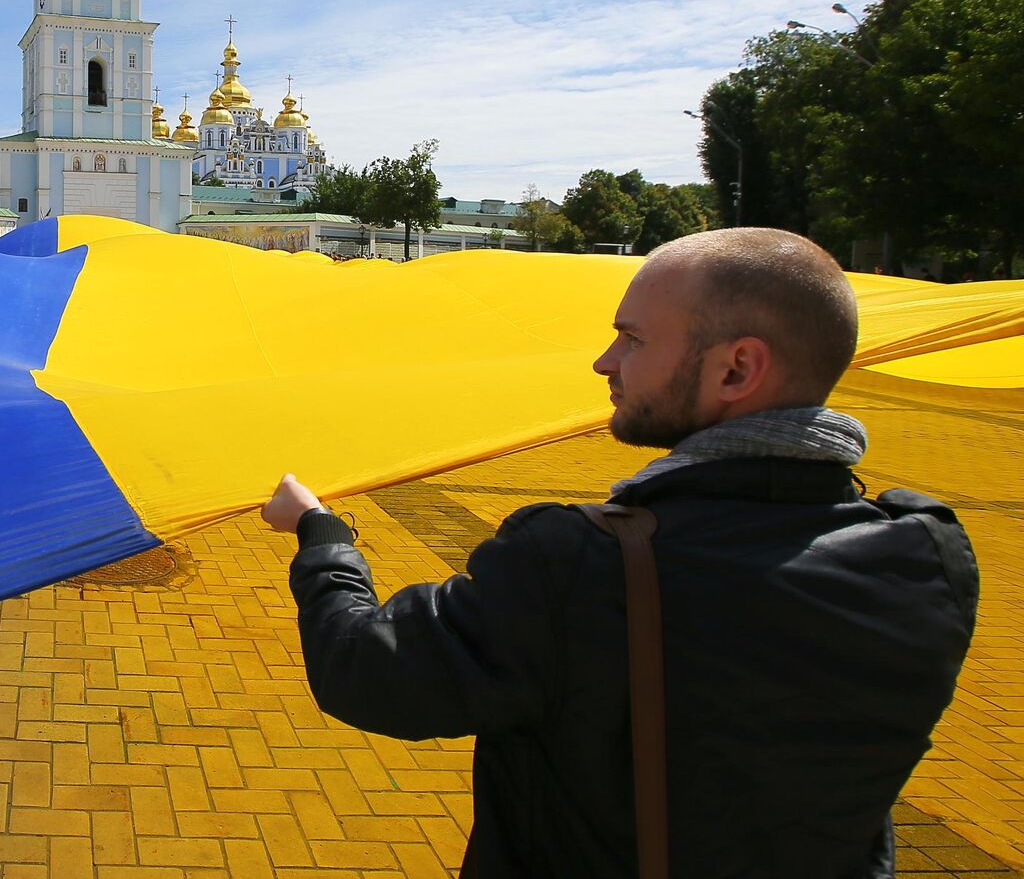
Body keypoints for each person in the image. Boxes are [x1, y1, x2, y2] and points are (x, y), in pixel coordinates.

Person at [262, 228, 977, 878]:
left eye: (632, 339)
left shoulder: (580, 564)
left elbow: (364, 669)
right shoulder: (928, 554)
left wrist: (320, 534)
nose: (606, 362)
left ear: (736, 370)